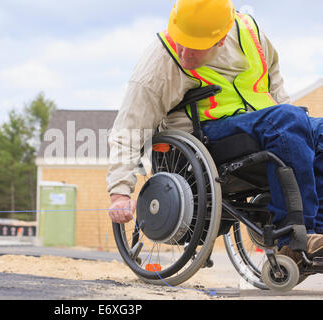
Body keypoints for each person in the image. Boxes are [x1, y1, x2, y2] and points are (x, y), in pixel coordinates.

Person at [107, 0, 323, 260]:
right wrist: (119, 193)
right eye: (180, 41)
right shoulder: (161, 60)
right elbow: (128, 128)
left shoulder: (250, 35)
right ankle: (293, 238)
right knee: (286, 120)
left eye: (196, 49)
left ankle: (318, 235)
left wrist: (298, 134)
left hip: (261, 125)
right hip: (208, 139)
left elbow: (275, 85)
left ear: (221, 40)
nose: (184, 54)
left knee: (313, 129)